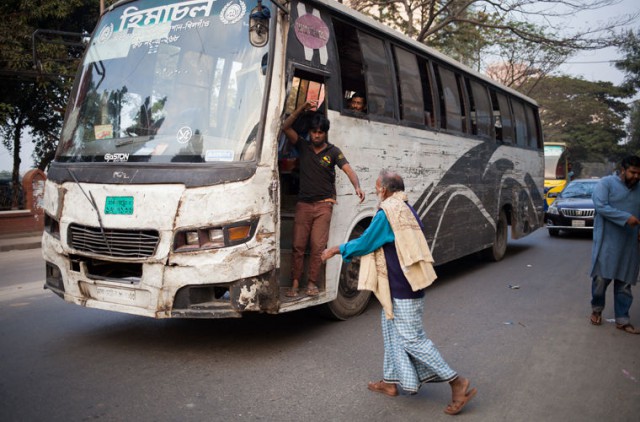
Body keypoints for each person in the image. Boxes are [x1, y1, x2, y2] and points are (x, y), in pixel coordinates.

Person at [321, 169, 477, 416]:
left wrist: (336, 249)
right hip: (400, 284)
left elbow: (365, 243)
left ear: (383, 189)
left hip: (403, 287)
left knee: (412, 340)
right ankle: (390, 382)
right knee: (391, 332)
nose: (375, 191)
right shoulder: (405, 207)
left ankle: (457, 382)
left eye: (376, 187)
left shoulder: (388, 212)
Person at [282, 100, 365, 297]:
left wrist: (357, 186)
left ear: (325, 132)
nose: (317, 135)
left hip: (323, 207)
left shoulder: (334, 152)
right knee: (298, 246)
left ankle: (312, 283)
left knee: (318, 246)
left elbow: (348, 169)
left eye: (320, 132)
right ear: (310, 132)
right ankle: (295, 284)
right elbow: (285, 127)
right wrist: (301, 109)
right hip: (303, 205)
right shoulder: (303, 146)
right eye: (314, 131)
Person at [590, 155, 640, 334]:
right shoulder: (606, 184)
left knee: (625, 283)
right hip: (608, 241)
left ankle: (622, 319)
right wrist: (626, 218)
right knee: (601, 280)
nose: (636, 176)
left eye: (639, 173)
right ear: (623, 170)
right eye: (633, 172)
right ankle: (596, 309)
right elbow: (600, 206)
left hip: (630, 243)